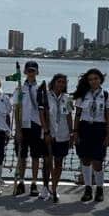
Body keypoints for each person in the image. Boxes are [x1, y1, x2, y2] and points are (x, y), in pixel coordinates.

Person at [72, 68, 109, 203]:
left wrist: (108, 135)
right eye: (90, 79)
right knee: (85, 159)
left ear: (100, 79)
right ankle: (88, 188)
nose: (93, 81)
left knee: (98, 161)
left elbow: (108, 117)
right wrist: (75, 131)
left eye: (95, 78)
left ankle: (99, 189)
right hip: (85, 128)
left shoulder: (106, 95)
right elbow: (77, 114)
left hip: (99, 128)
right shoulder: (83, 95)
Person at [39, 73, 73, 203]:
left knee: (59, 163)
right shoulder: (45, 96)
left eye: (63, 82)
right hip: (49, 134)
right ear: (53, 82)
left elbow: (69, 116)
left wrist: (71, 133)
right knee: (47, 162)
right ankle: (45, 187)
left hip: (63, 135)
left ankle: (54, 188)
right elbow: (42, 114)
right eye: (59, 81)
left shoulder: (67, 98)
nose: (61, 84)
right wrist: (46, 131)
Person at [15, 61, 45, 196]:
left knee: (35, 156)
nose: (31, 73)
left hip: (36, 125)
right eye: (28, 70)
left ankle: (33, 182)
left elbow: (45, 109)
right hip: (23, 125)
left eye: (33, 70)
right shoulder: (20, 88)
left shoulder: (42, 88)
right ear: (25, 72)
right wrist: (18, 129)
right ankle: (21, 181)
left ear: (37, 72)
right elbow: (16, 109)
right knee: (22, 155)